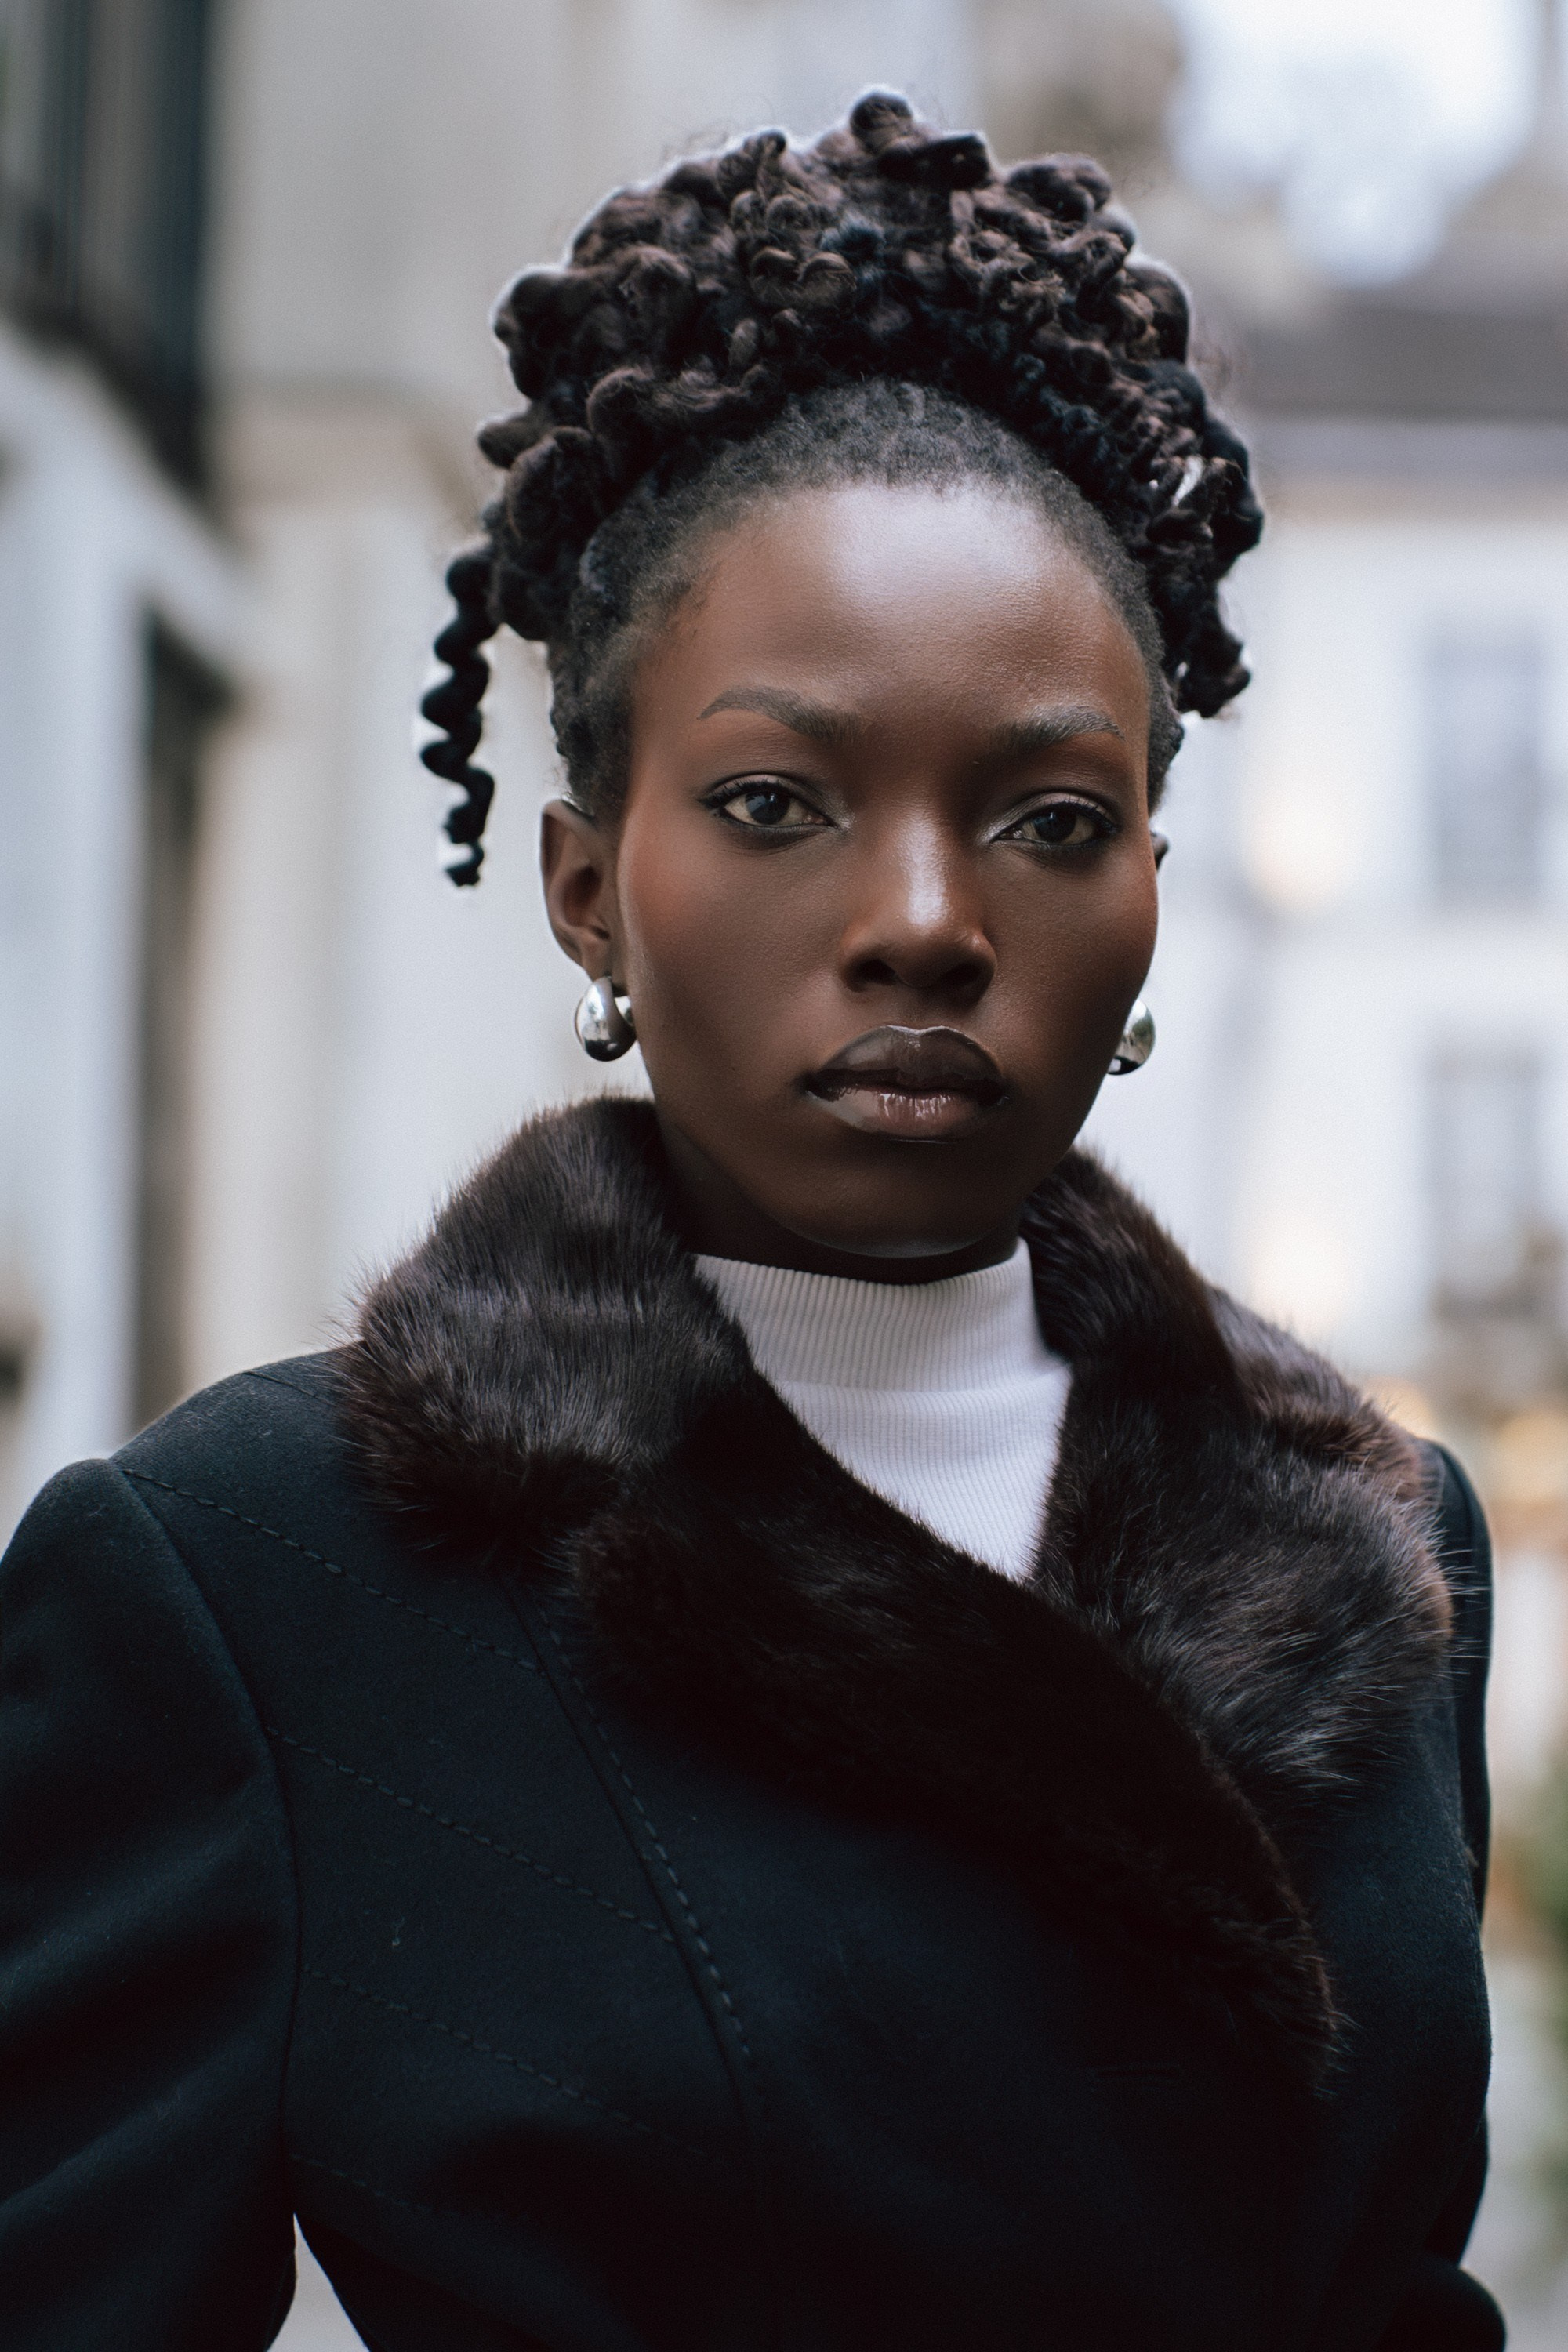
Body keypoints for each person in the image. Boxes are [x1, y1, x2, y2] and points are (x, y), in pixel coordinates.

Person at [0, 93, 1501, 2352]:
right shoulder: (251, 1577)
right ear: (593, 886)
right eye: (780, 803)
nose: (920, 921)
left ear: (1153, 901)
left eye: (1048, 814)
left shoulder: (1387, 1544)